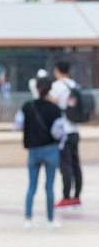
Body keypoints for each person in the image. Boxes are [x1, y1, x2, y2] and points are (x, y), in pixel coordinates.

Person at [13, 76, 63, 229]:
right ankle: (50, 220)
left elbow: (18, 124)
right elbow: (58, 132)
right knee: (49, 187)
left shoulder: (27, 106)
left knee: (31, 187)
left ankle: (28, 220)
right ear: (50, 90)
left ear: (36, 88)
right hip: (50, 150)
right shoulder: (55, 109)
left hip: (33, 151)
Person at [50, 60, 82, 208]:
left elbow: (52, 104)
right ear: (69, 70)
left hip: (64, 132)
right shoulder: (75, 85)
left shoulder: (57, 87)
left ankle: (66, 196)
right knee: (76, 164)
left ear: (57, 70)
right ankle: (77, 196)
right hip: (75, 130)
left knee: (65, 165)